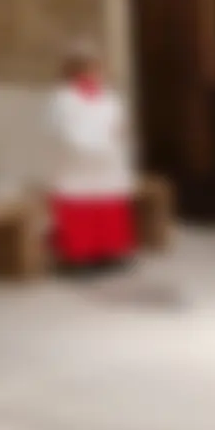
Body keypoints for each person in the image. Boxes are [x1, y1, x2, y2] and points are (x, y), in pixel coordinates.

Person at [46, 44, 137, 273]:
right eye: (87, 68)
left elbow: (118, 124)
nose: (93, 73)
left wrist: (114, 141)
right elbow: (63, 131)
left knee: (108, 210)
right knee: (81, 213)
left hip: (107, 165)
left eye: (96, 68)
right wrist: (90, 147)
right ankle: (80, 257)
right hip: (78, 165)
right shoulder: (63, 99)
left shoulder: (107, 97)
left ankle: (110, 252)